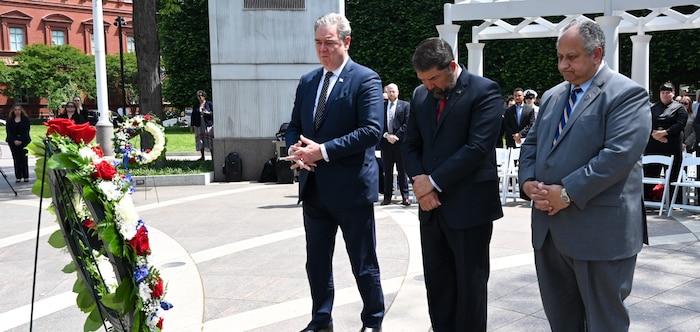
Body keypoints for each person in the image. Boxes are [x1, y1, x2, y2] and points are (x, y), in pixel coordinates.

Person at [518, 19, 651, 331]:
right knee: (562, 322)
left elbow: (617, 156)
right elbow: (533, 144)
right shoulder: (552, 96)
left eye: (572, 57)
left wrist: (565, 193)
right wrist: (527, 184)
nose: (564, 65)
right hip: (550, 232)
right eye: (560, 57)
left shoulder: (627, 95)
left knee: (604, 323)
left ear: (597, 54)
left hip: (599, 234)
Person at [284, 13, 384, 332]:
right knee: (316, 263)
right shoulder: (308, 81)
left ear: (346, 41)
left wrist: (321, 151)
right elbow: (295, 126)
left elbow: (371, 130)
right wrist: (294, 150)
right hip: (314, 190)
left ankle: (372, 321)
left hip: (351, 190)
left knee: (363, 263)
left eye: (329, 43)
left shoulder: (365, 79)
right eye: (318, 43)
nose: (322, 49)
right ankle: (321, 320)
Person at [403, 37, 504, 331]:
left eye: (433, 78)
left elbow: (477, 148)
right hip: (431, 211)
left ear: (452, 65)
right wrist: (420, 182)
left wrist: (432, 183)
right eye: (423, 80)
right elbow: (410, 145)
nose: (429, 86)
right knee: (438, 286)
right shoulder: (421, 96)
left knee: (470, 289)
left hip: (470, 209)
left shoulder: (484, 91)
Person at [644, 82, 687, 200]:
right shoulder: (653, 107)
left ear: (673, 93)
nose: (665, 95)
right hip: (653, 144)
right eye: (663, 92)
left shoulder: (679, 108)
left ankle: (674, 199)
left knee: (673, 173)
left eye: (668, 92)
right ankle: (649, 198)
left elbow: (680, 124)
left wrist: (664, 133)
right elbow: (646, 122)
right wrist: (655, 135)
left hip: (671, 145)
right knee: (650, 171)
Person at [379, 83, 411, 206]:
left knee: (402, 170)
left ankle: (405, 196)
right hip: (386, 143)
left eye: (393, 91)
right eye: (389, 91)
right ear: (386, 93)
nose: (391, 94)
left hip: (400, 143)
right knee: (387, 171)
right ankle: (387, 197)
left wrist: (396, 136)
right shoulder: (381, 106)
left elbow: (407, 124)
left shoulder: (405, 106)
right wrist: (387, 135)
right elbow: (379, 123)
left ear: (398, 92)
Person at [5, 104, 31, 182]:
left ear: (21, 110)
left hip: (24, 141)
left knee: (24, 159)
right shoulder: (9, 120)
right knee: (16, 159)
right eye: (15, 109)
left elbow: (26, 131)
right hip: (13, 142)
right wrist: (14, 140)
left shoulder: (26, 119)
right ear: (13, 111)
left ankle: (26, 176)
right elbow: (9, 132)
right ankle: (18, 177)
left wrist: (21, 140)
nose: (17, 111)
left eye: (19, 109)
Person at [191, 90, 214, 161]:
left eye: (202, 95)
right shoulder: (196, 105)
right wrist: (192, 126)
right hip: (199, 124)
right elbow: (193, 115)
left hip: (207, 124)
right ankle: (202, 156)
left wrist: (208, 113)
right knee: (200, 140)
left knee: (209, 140)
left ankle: (213, 157)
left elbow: (215, 113)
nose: (200, 97)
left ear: (204, 96)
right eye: (199, 96)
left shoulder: (209, 104)